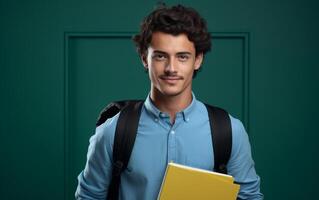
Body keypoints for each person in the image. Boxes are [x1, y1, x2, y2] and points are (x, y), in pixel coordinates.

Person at [75, 4, 263, 200]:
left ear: (198, 60)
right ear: (144, 59)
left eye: (182, 57)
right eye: (160, 56)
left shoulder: (230, 131)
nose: (171, 68)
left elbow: (249, 197)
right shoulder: (113, 131)